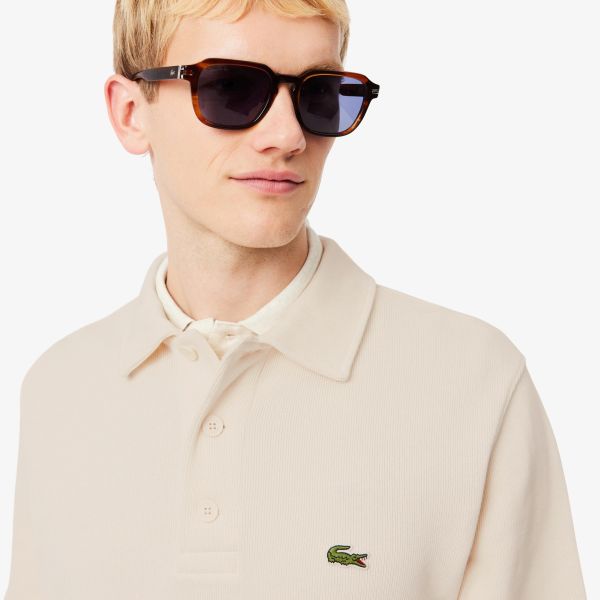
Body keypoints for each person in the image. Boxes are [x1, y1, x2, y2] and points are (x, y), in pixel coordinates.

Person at [4, 1, 587, 598]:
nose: (287, 136)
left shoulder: (474, 382)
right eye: (231, 89)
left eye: (319, 94)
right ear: (131, 113)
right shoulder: (60, 390)